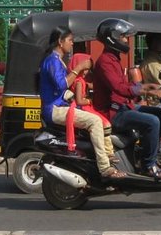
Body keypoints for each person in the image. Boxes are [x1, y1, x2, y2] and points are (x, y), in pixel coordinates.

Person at [39, 27, 123, 180]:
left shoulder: (57, 61)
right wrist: (79, 68)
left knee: (101, 121)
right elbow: (61, 85)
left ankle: (106, 155)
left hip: (61, 105)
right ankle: (105, 168)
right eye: (70, 40)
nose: (72, 44)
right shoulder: (52, 60)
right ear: (60, 41)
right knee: (95, 121)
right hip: (54, 109)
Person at [92, 18, 161, 178]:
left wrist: (148, 86)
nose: (126, 40)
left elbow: (124, 86)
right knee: (152, 122)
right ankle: (149, 165)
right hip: (113, 112)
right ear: (112, 38)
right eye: (123, 37)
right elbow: (119, 88)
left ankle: (148, 154)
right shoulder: (105, 61)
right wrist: (147, 92)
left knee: (160, 114)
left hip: (123, 107)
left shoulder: (114, 58)